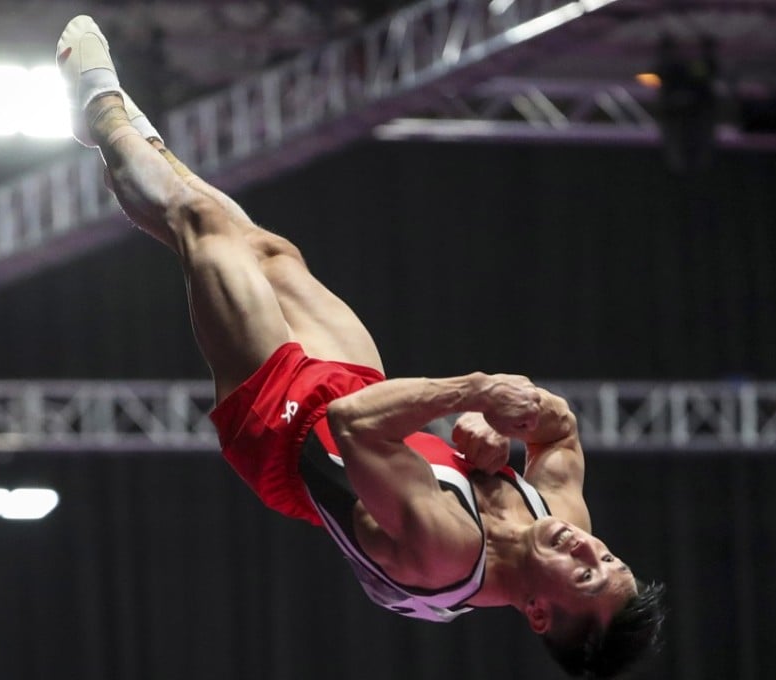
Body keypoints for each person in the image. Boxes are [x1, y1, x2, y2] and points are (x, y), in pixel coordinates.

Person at [56, 15, 665, 678]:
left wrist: (475, 393)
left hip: (286, 434)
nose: (587, 549)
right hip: (367, 406)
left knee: (204, 228)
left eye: (583, 575)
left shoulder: (447, 555)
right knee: (270, 251)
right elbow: (561, 430)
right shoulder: (563, 518)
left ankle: (104, 109)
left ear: (539, 613)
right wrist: (501, 429)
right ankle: (134, 148)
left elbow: (350, 427)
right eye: (608, 559)